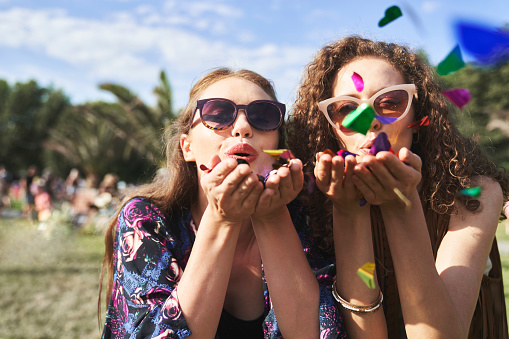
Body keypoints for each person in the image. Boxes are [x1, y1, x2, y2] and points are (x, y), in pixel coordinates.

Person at [287, 36, 509, 338]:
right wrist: (348, 210)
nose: (369, 123)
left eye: (390, 102)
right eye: (345, 109)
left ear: (418, 114)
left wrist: (401, 206)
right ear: (330, 126)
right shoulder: (314, 201)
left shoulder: (474, 195)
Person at [99, 68, 347, 338]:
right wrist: (221, 218)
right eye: (217, 114)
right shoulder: (148, 219)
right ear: (187, 147)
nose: (242, 128)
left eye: (263, 116)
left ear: (278, 148)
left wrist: (271, 217)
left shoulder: (305, 218)